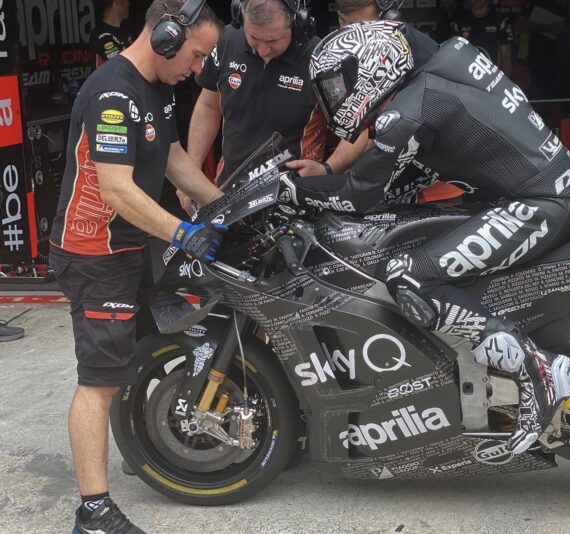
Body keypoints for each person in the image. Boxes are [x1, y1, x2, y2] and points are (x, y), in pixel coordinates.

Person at [280, 21, 570, 454]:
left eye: (336, 86)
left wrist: (293, 190)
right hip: (543, 193)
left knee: (407, 275)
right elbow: (399, 179)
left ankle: (540, 373)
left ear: (371, 67)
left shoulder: (407, 112)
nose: (334, 97)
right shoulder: (441, 66)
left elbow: (360, 196)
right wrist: (326, 174)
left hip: (542, 204)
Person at [48, 1, 225, 532]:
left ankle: (137, 442)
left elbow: (172, 156)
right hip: (94, 253)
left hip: (132, 246)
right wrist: (184, 232)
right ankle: (94, 512)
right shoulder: (112, 93)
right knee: (99, 381)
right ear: (168, 37)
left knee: (151, 340)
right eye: (196, 56)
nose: (198, 69)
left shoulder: (157, 89)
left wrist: (224, 208)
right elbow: (117, 189)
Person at [287, 0, 463, 204]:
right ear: (341, 20)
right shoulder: (355, 54)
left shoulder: (414, 51)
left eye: (369, 27)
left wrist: (330, 171)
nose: (364, 35)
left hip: (436, 190)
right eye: (353, 28)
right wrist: (327, 169)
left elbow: (372, 127)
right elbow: (364, 121)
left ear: (389, 19)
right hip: (394, 188)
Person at [176, 0, 326, 213]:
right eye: (254, 38)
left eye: (273, 39)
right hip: (229, 194)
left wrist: (329, 168)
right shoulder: (226, 40)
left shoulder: (321, 57)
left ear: (297, 23)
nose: (263, 49)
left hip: (293, 199)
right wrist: (190, 175)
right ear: (241, 19)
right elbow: (209, 106)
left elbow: (361, 124)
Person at [456, 0, 514, 76]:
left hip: (492, 76)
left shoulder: (500, 20)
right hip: (466, 75)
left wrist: (504, 83)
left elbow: (506, 55)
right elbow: (455, 54)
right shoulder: (460, 20)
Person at [90, 0, 133, 68]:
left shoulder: (126, 31)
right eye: (127, 0)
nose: (129, 4)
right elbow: (120, 65)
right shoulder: (101, 35)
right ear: (117, 1)